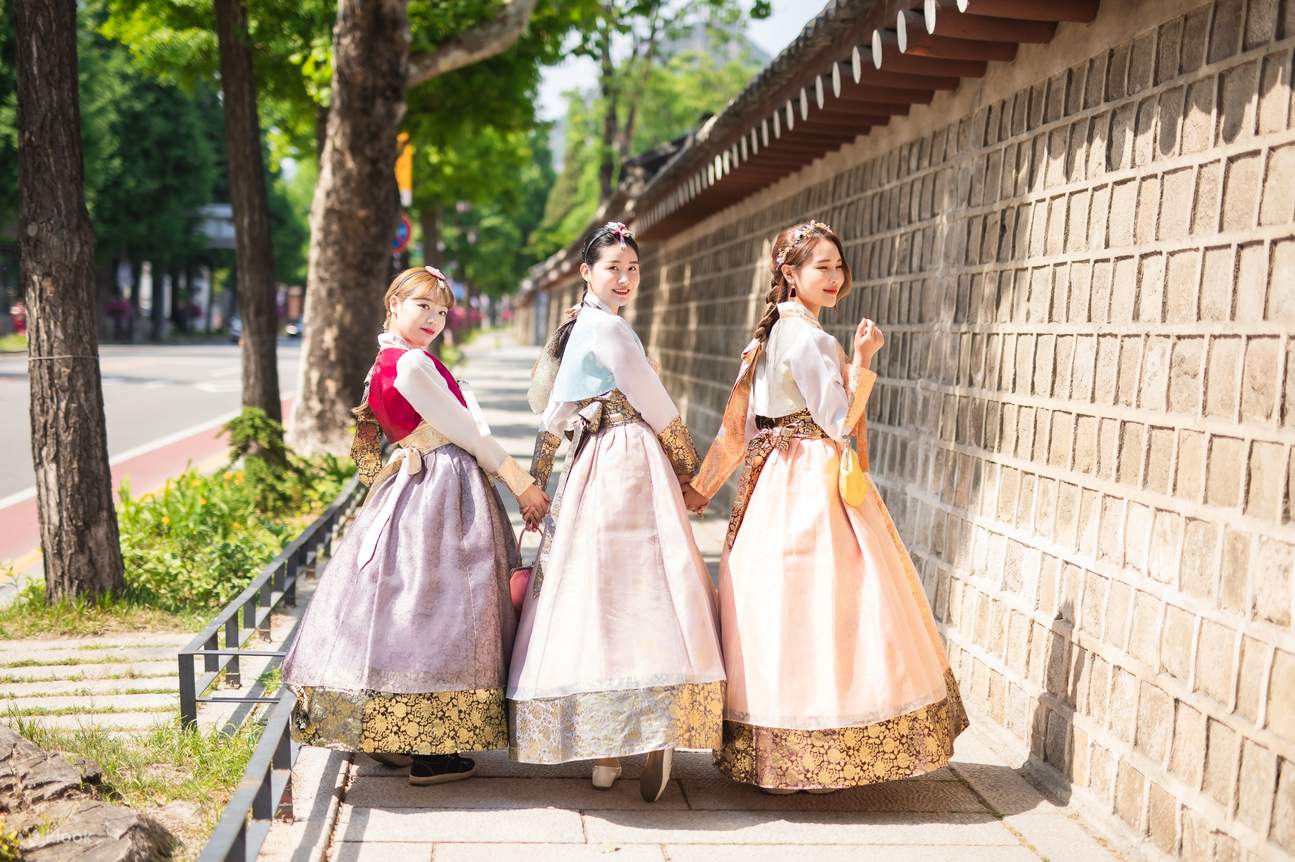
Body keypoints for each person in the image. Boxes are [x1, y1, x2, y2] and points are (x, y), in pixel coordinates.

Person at [685, 221, 968, 793]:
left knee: (778, 612)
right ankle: (829, 738)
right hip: (809, 481)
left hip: (770, 483)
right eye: (822, 267)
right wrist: (862, 361)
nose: (835, 278)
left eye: (838, 267)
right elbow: (837, 420)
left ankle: (774, 745)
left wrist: (701, 488)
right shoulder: (810, 340)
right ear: (790, 274)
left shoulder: (768, 337)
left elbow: (739, 428)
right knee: (830, 606)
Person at [283, 266, 550, 786]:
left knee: (402, 606)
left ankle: (395, 731)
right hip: (442, 485)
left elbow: (367, 442)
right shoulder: (410, 366)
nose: (434, 318)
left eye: (442, 310)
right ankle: (434, 748)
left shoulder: (387, 361)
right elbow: (469, 435)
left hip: (411, 484)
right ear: (394, 305)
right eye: (422, 306)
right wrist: (522, 485)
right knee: (445, 609)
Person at [508, 222, 725, 802]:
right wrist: (692, 472)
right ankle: (651, 723)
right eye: (613, 269)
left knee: (593, 590)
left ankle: (605, 751)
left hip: (587, 466)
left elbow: (553, 417)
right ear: (587, 273)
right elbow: (657, 404)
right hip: (629, 461)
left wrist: (539, 483)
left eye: (632, 269)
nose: (625, 278)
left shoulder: (576, 329)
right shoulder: (612, 331)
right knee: (647, 583)